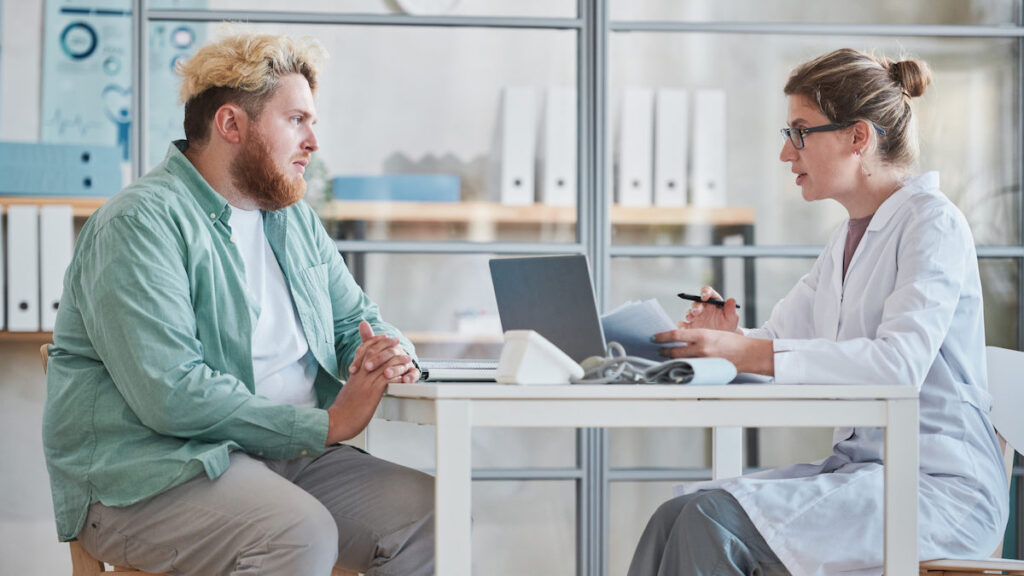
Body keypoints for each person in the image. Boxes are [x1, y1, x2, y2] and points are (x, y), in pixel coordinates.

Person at [42, 30, 434, 576]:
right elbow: (171, 393)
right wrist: (324, 426)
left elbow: (355, 320)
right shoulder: (139, 223)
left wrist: (390, 351)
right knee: (297, 533)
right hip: (154, 475)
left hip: (285, 461)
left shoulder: (290, 217)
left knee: (430, 513)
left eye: (312, 122)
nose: (313, 141)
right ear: (231, 124)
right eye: (296, 120)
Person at [630, 48, 1009, 575]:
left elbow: (897, 366)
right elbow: (781, 345)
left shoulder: (932, 224)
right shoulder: (844, 243)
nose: (788, 155)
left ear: (858, 137)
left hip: (939, 491)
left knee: (709, 520)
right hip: (866, 476)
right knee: (675, 516)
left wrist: (749, 352)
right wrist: (732, 342)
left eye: (800, 132)